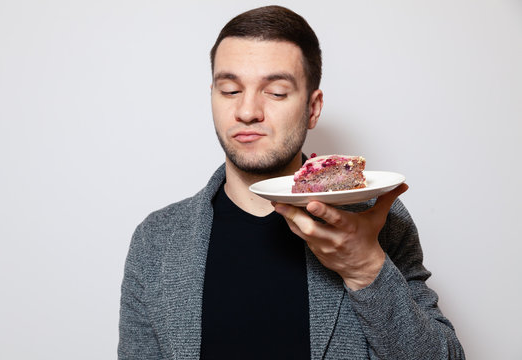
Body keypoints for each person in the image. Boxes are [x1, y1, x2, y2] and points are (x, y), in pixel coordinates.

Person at [119, 5, 465, 359]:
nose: (247, 111)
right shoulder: (156, 242)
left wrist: (365, 268)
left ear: (313, 108)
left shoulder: (374, 217)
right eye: (229, 90)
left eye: (276, 92)